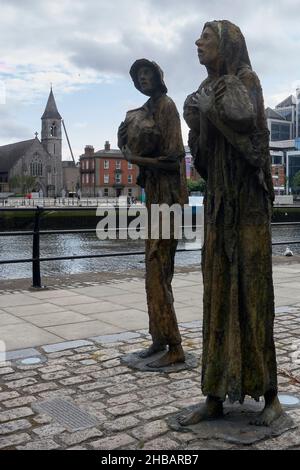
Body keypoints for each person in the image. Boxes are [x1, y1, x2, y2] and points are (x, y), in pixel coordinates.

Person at [180, 20, 283, 426]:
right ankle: (215, 394)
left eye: (206, 38)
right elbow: (203, 160)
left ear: (226, 44)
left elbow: (255, 147)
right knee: (217, 297)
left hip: (249, 210)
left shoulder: (246, 80)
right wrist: (198, 126)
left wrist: (211, 112)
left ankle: (270, 396)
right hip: (220, 207)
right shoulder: (207, 90)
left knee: (254, 297)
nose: (198, 43)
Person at [118, 59, 188, 367]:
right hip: (154, 197)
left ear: (158, 77)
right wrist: (128, 151)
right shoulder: (144, 110)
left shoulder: (167, 107)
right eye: (139, 76)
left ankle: (175, 347)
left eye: (147, 74)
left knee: (159, 270)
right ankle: (158, 338)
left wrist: (136, 159)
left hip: (169, 198)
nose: (143, 79)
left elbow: (174, 160)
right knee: (152, 271)